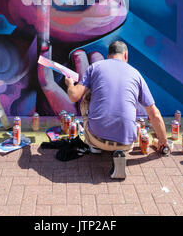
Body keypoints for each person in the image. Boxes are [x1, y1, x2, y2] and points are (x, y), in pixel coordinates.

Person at [65, 40, 168, 179]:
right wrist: (163, 141)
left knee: (87, 97)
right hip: (126, 143)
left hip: (96, 137)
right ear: (125, 55)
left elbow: (74, 96)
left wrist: (70, 84)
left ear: (108, 56)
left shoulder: (95, 67)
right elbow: (154, 114)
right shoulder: (136, 74)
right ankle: (119, 153)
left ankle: (95, 147)